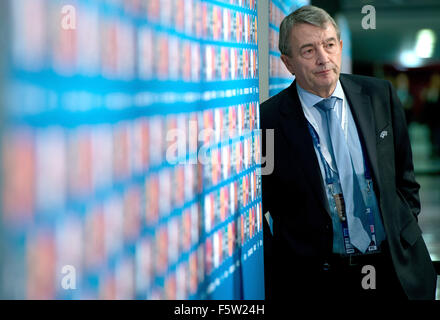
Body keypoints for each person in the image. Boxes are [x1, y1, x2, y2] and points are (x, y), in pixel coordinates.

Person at [260, 5, 437, 301]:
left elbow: (405, 178)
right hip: (320, 280)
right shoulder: (270, 120)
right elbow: (263, 205)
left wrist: (402, 231)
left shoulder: (379, 95)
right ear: (288, 63)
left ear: (340, 47)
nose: (323, 58)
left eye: (329, 45)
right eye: (308, 51)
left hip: (395, 269)